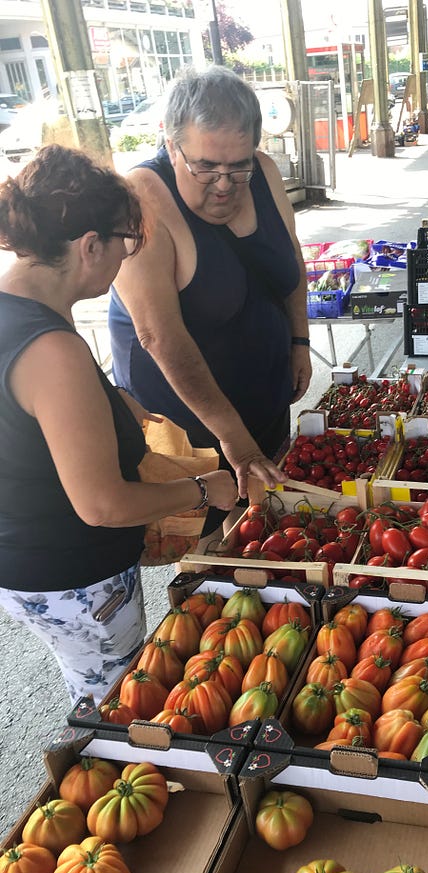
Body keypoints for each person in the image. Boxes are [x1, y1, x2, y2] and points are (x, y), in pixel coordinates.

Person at [0, 145, 238, 702]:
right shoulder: (52, 349)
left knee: (96, 680)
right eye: (126, 243)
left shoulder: (17, 309)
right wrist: (204, 487)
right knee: (118, 697)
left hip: (25, 558)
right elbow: (100, 505)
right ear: (90, 246)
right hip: (71, 570)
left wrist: (110, 404)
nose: (127, 259)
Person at [108, 66, 305, 526]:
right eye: (206, 166)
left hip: (264, 398)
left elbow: (291, 260)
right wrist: (232, 438)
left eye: (238, 166)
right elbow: (159, 336)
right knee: (208, 549)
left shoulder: (266, 172)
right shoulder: (139, 199)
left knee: (271, 528)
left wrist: (299, 342)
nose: (224, 183)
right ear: (171, 144)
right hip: (190, 428)